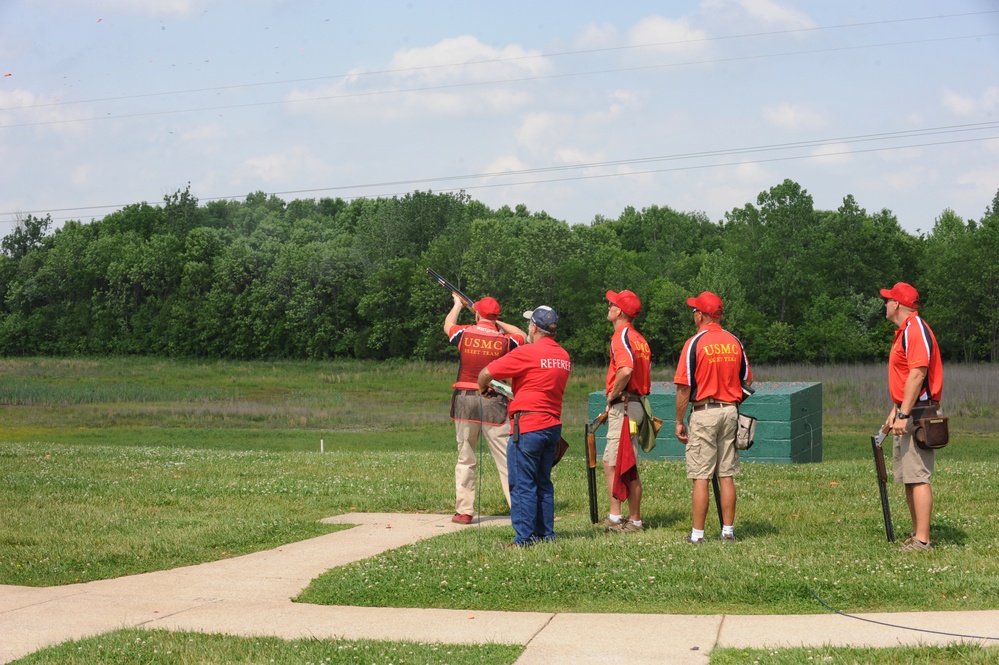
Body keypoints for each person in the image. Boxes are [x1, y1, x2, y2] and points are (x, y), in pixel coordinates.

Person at [477, 306, 571, 547]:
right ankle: (545, 534)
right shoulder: (563, 356)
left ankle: (524, 538)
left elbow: (486, 373)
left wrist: (483, 388)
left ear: (533, 328)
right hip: (552, 426)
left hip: (528, 425)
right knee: (543, 482)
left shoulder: (528, 352)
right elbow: (535, 379)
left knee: (522, 484)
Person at [673, 292, 752, 543]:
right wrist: (731, 399)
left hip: (704, 413)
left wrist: (678, 421)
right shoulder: (734, 341)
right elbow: (747, 381)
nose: (693, 315)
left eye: (695, 311)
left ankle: (697, 535)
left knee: (702, 475)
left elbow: (684, 388)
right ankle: (728, 532)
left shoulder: (694, 343)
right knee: (726, 473)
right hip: (730, 411)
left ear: (702, 315)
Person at [444, 294, 526, 524]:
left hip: (464, 400)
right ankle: (519, 509)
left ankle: (464, 511)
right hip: (494, 401)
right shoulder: (506, 341)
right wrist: (497, 323)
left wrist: (457, 305)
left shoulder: (464, 334)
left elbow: (448, 325)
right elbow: (523, 334)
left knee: (465, 456)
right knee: (506, 459)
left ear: (476, 314)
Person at [879, 282, 944, 551]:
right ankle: (918, 533)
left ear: (897, 304)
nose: (884, 304)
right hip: (908, 410)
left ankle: (923, 540)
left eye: (887, 300)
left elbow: (918, 373)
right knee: (909, 475)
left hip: (918, 413)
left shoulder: (914, 329)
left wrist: (904, 413)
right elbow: (907, 378)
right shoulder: (905, 331)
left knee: (918, 476)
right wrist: (894, 412)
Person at [601, 290, 652, 534]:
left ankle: (632, 521)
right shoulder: (638, 338)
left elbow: (626, 370)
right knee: (613, 462)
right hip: (635, 404)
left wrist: (612, 395)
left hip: (625, 405)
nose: (608, 306)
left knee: (622, 464)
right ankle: (616, 516)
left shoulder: (620, 336)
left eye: (611, 304)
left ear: (619, 311)